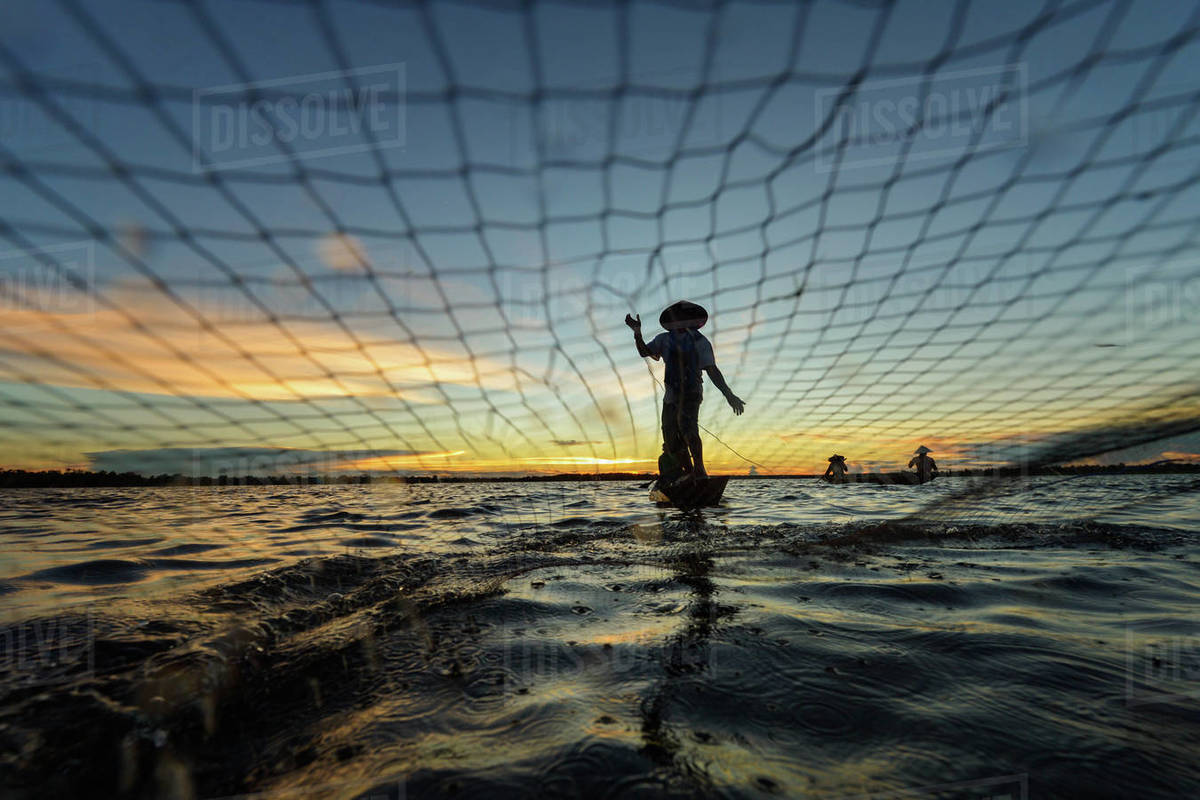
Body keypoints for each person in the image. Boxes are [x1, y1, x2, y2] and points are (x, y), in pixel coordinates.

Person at [626, 301, 744, 481]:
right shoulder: (663, 339)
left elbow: (712, 369)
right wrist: (637, 332)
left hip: (691, 392)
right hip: (670, 397)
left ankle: (700, 471)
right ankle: (688, 472)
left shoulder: (700, 341)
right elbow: (645, 352)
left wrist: (729, 394)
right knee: (670, 438)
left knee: (687, 428)